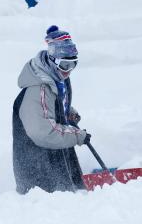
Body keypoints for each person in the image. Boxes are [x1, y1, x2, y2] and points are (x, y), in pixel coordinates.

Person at [12, 25, 90, 194]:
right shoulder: (37, 90)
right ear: (52, 61)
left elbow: (52, 103)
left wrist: (67, 112)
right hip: (39, 174)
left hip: (56, 162)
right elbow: (44, 132)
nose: (69, 71)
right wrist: (77, 136)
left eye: (73, 64)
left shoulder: (56, 78)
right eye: (65, 65)